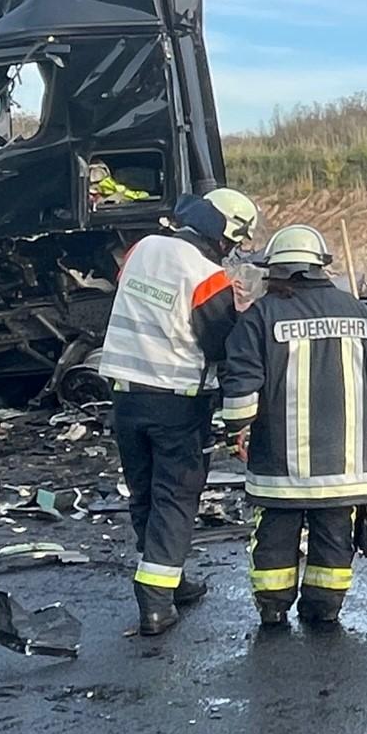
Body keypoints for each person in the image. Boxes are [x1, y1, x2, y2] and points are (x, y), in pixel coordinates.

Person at [219, 225, 367, 628]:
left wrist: (237, 428)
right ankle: (324, 609)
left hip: (279, 472)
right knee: (335, 543)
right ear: (320, 269)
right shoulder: (360, 313)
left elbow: (241, 382)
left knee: (274, 544)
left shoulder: (260, 317)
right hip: (345, 471)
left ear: (278, 272)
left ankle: (273, 608)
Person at [100, 187, 260, 635]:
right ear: (226, 234)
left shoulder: (141, 249)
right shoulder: (209, 276)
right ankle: (154, 602)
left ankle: (169, 578)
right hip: (176, 399)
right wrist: (241, 312)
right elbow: (219, 345)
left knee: (145, 492)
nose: (233, 251)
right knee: (175, 496)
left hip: (125, 395)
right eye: (235, 241)